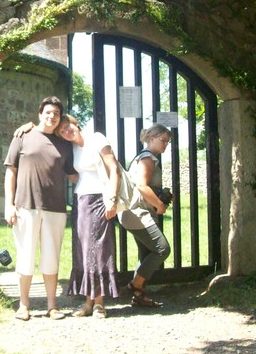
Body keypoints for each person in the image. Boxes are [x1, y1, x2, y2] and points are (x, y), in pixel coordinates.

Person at [3, 96, 77, 321]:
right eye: (48, 112)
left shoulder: (64, 144)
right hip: (25, 206)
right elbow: (10, 172)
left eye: (56, 113)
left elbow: (73, 174)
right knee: (25, 256)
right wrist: (9, 205)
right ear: (39, 114)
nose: (52, 117)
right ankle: (23, 305)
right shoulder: (23, 135)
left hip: (55, 208)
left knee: (51, 258)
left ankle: (52, 306)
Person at [56, 115, 120, 319]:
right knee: (83, 250)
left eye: (67, 126)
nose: (66, 131)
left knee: (99, 249)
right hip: (81, 200)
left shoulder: (97, 139)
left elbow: (113, 168)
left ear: (76, 124)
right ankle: (87, 302)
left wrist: (111, 198)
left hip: (101, 199)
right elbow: (73, 174)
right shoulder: (71, 148)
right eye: (61, 131)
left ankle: (99, 303)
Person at [118, 123, 173, 308]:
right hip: (137, 213)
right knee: (162, 249)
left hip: (134, 212)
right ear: (151, 139)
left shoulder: (146, 157)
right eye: (163, 140)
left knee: (147, 254)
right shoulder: (147, 158)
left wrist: (161, 195)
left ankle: (139, 296)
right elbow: (142, 186)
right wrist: (160, 205)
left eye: (168, 141)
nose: (166, 144)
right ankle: (135, 285)